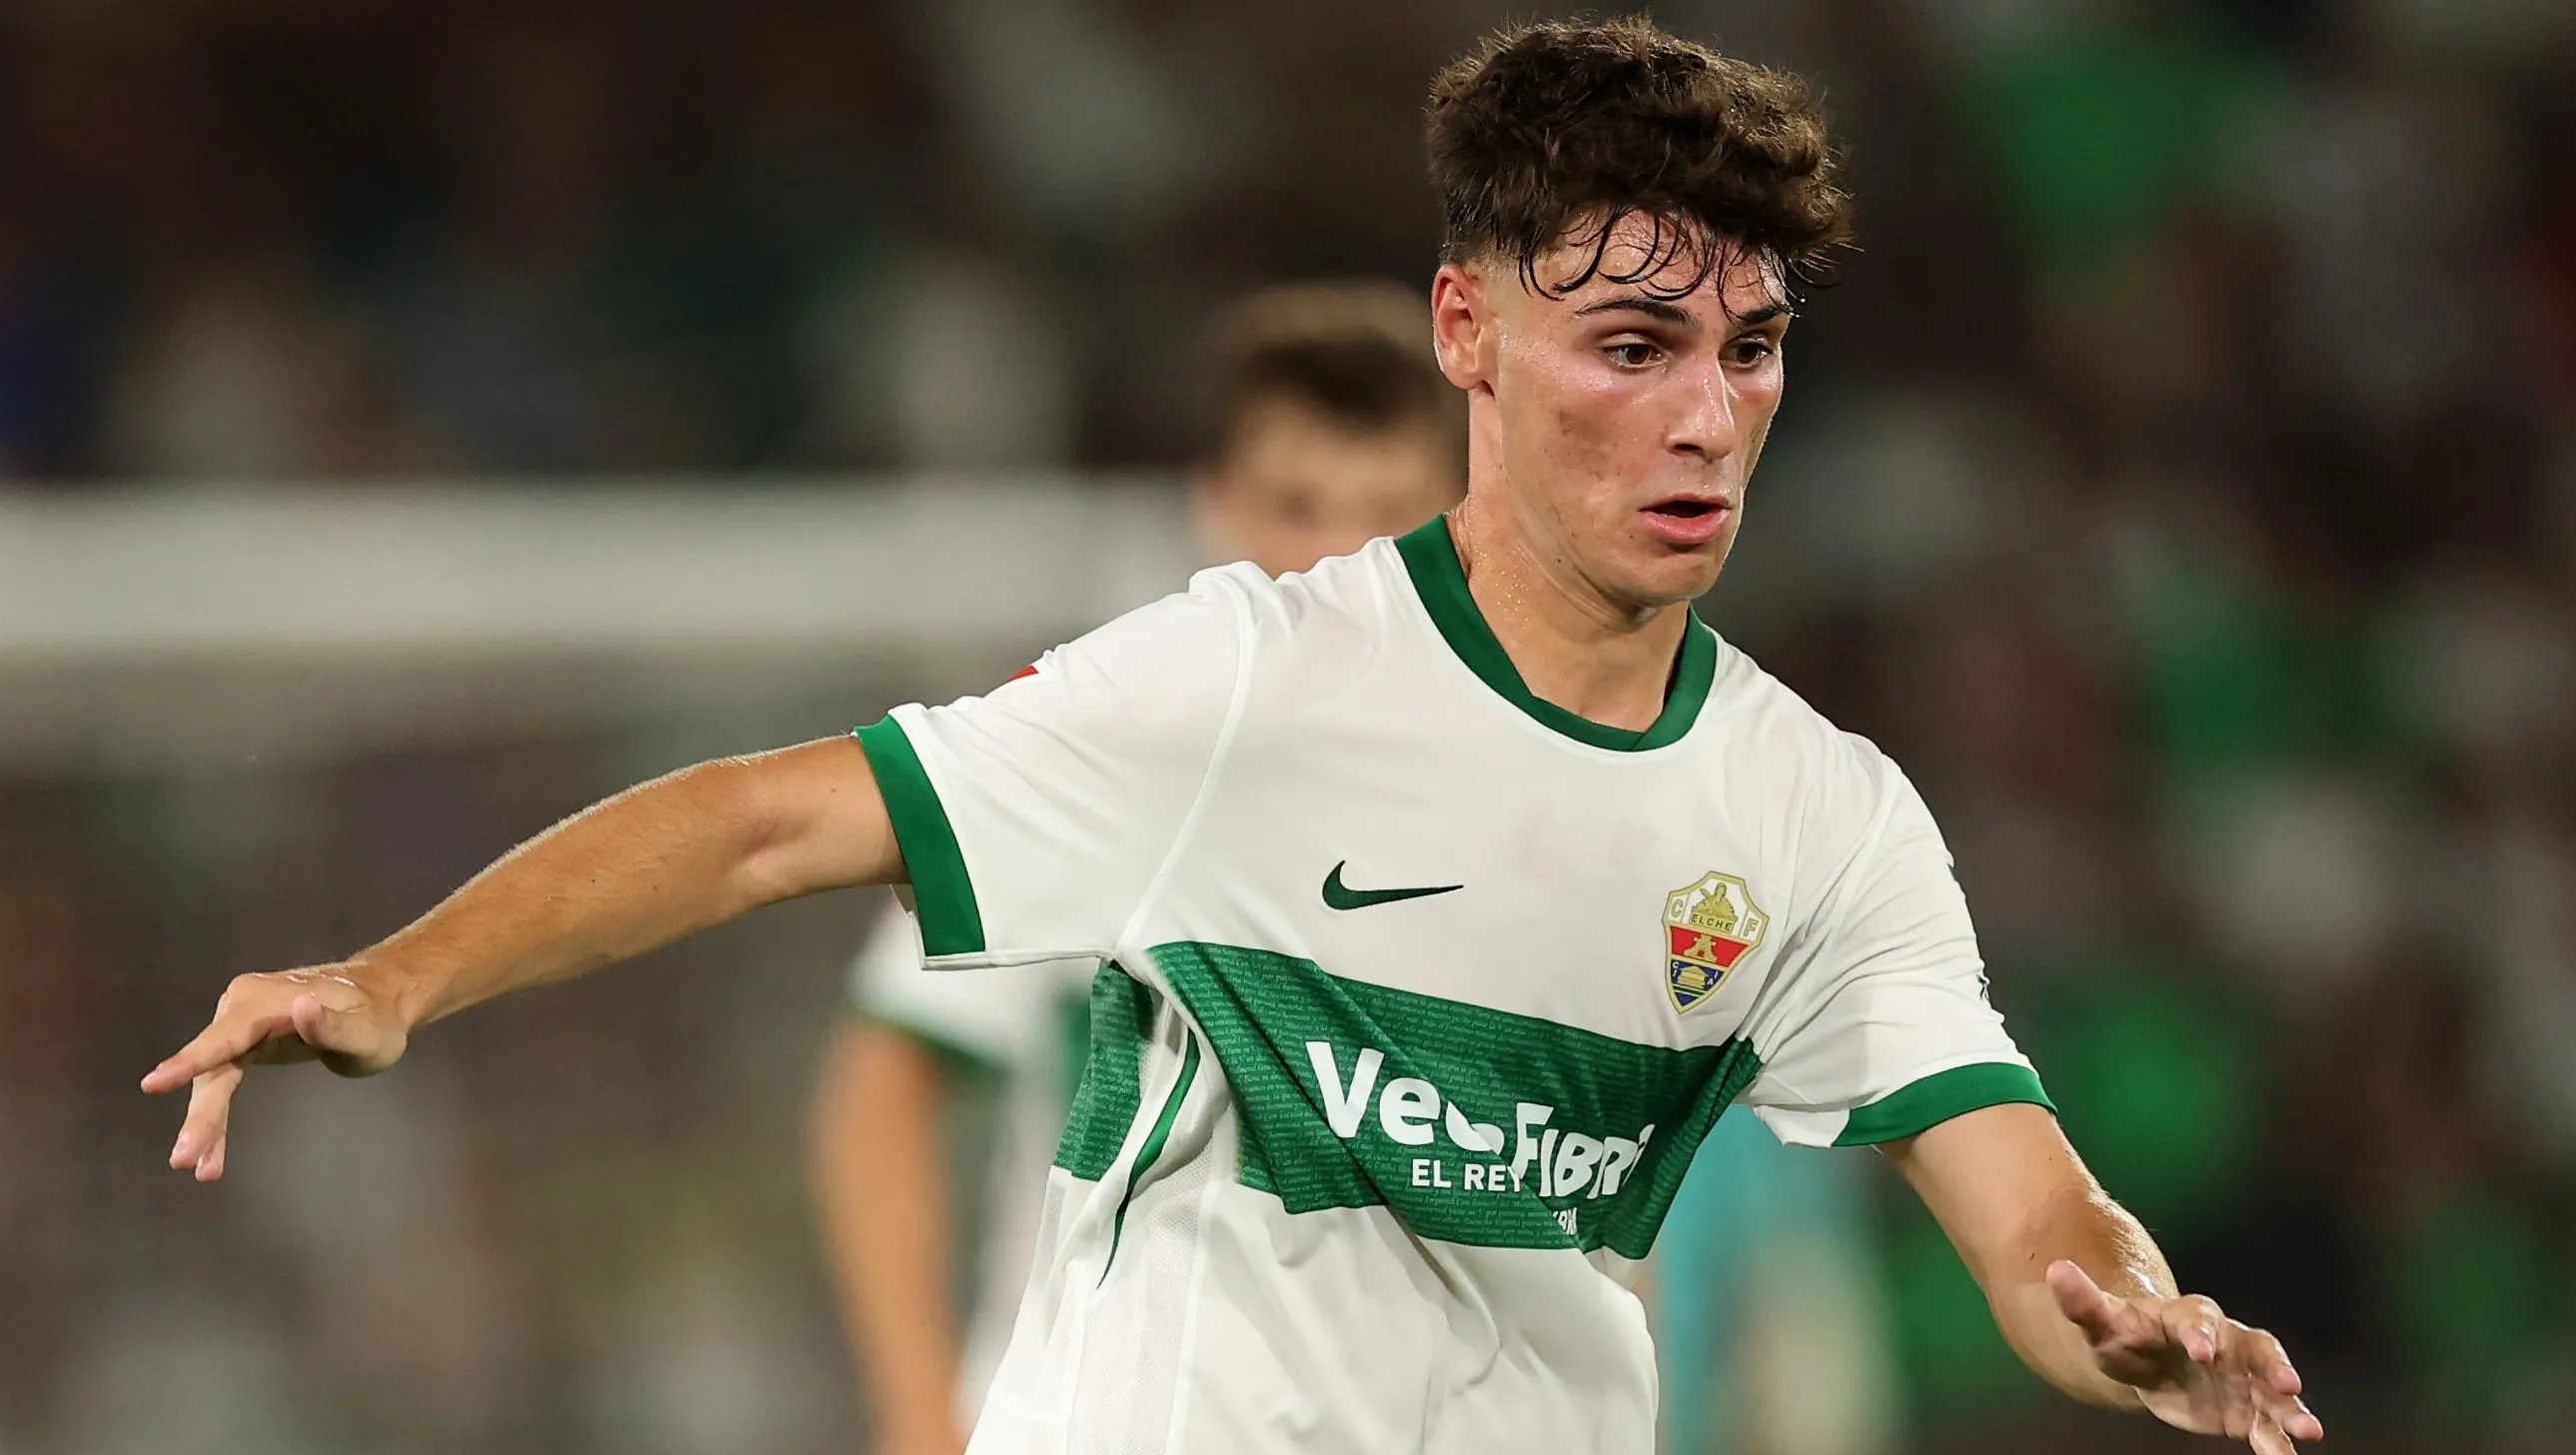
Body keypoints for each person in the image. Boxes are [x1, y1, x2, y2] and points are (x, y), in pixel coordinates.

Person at [146, 19, 2325, 1454]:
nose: (1701, 411)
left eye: (1746, 349)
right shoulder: (1239, 686)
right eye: (1633, 339)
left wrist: (2132, 1315)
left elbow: (2023, 1199)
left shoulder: (1819, 817)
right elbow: (759, 827)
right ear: (1465, 330)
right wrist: (393, 978)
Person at [808, 279, 1463, 1455]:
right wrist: (918, 1425)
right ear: (1212, 507)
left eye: (1387, 511)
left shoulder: (1527, 807)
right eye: (1296, 505)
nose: (1339, 556)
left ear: (1460, 518)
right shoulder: (1091, 762)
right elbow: (881, 1094)